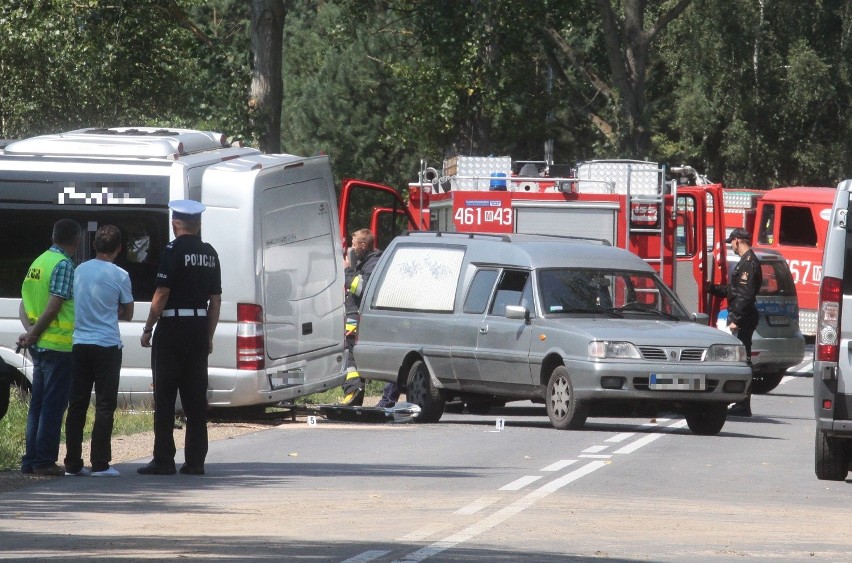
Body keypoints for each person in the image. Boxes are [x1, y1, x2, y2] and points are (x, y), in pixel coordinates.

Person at [138, 200, 221, 476]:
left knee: (164, 395)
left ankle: (163, 459)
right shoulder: (209, 253)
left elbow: (161, 294)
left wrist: (148, 326)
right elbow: (216, 300)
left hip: (172, 328)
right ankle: (195, 461)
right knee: (196, 399)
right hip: (198, 327)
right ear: (198, 224)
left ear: (175, 224)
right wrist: (208, 334)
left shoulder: (172, 251)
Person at [64, 225, 134, 477]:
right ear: (119, 249)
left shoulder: (79, 270)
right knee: (105, 405)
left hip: (80, 342)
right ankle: (101, 463)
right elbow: (129, 313)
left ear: (95, 245)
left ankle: (72, 462)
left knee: (77, 404)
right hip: (107, 344)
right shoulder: (120, 275)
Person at [17, 218, 82, 476]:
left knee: (38, 404)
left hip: (39, 344)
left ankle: (30, 460)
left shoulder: (39, 262)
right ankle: (44, 461)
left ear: (54, 236)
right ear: (76, 240)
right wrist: (34, 334)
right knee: (53, 406)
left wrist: (30, 332)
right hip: (57, 346)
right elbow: (55, 304)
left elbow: (24, 304)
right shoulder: (64, 264)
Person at [708, 227, 762, 417]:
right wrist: (713, 289)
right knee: (742, 359)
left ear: (738, 240)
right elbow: (735, 291)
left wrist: (736, 320)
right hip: (744, 316)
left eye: (731, 242)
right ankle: (741, 403)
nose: (731, 246)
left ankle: (743, 404)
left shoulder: (749, 263)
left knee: (743, 361)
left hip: (744, 318)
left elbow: (745, 296)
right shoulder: (746, 262)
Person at [339, 229, 383, 406]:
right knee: (349, 355)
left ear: (363, 245)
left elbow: (361, 289)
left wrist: (347, 270)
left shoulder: (372, 263)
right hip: (353, 315)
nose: (351, 247)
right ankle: (353, 392)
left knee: (351, 355)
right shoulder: (364, 261)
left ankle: (353, 392)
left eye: (354, 243)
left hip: (357, 317)